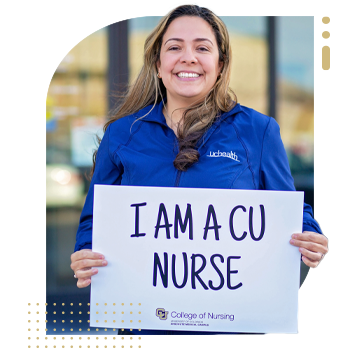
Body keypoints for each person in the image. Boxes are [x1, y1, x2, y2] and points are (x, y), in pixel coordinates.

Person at [70, 4, 329, 336]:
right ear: (158, 64)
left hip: (229, 331)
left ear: (220, 66)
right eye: (175, 47)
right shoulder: (123, 133)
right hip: (145, 328)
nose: (188, 57)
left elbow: (286, 207)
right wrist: (84, 253)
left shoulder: (257, 131)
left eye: (202, 48)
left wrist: (311, 233)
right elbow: (96, 219)